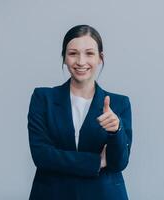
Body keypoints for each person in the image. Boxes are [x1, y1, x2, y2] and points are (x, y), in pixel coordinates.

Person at [27, 24, 132, 200]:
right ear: (64, 58)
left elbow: (118, 163)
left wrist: (116, 131)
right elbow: (42, 156)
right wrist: (96, 162)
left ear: (100, 58)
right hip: (52, 194)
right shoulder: (43, 98)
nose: (81, 61)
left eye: (89, 53)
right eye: (73, 53)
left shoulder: (119, 103)